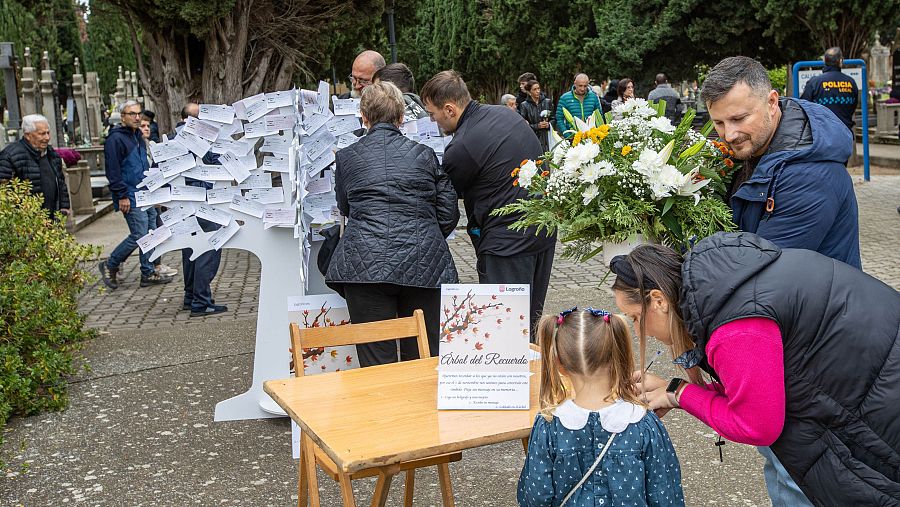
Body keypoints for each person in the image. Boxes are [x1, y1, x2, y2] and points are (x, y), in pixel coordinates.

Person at [610, 231, 900, 506]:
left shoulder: (735, 326)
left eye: (635, 318)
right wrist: (674, 390)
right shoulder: (720, 282)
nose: (639, 332)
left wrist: (680, 393)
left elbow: (757, 425)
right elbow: (758, 383)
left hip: (885, 390)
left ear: (658, 301)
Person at [325, 81, 459, 367]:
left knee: (376, 361)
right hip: (424, 261)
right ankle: (421, 411)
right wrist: (426, 233)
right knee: (423, 355)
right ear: (401, 117)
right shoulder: (424, 155)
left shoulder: (347, 158)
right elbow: (449, 211)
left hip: (365, 264)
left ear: (364, 116)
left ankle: (379, 410)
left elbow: (345, 207)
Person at [421, 70, 556, 335]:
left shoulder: (461, 147)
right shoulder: (505, 113)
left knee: (505, 329)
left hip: (507, 243)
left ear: (449, 109)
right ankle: (534, 372)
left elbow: (446, 194)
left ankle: (513, 374)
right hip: (542, 230)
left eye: (432, 113)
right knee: (530, 321)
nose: (432, 120)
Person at [702, 56, 860, 269]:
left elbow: (760, 267)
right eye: (718, 123)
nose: (729, 135)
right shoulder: (751, 148)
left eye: (738, 119)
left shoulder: (810, 176)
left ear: (772, 103)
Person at [518, 307, 685, 507]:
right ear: (618, 358)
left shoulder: (548, 426)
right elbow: (665, 493)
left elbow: (535, 496)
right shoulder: (644, 425)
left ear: (558, 364)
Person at [99, 101, 172, 289]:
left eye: (138, 114)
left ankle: (147, 272)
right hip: (130, 194)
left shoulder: (138, 136)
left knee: (151, 233)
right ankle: (111, 263)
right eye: (132, 114)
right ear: (123, 116)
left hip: (146, 193)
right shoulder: (115, 140)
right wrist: (121, 195)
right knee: (139, 235)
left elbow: (144, 166)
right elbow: (113, 170)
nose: (136, 117)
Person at [172, 102, 228, 317]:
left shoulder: (176, 138)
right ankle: (201, 302)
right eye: (199, 118)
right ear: (187, 120)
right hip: (199, 202)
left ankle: (191, 297)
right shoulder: (190, 140)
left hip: (185, 205)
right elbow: (213, 163)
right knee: (209, 249)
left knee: (191, 249)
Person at [0, 114, 70, 217]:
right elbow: (4, 188)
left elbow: (60, 181)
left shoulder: (51, 154)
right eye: (42, 134)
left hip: (53, 218)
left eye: (48, 133)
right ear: (28, 135)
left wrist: (64, 205)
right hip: (28, 221)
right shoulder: (10, 156)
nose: (47, 137)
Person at [138, 117, 178, 279]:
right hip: (143, 194)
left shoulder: (149, 146)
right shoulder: (137, 147)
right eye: (143, 126)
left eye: (148, 126)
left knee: (156, 229)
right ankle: (115, 261)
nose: (146, 128)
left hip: (154, 193)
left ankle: (156, 264)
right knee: (141, 233)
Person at [800, 47, 859, 132]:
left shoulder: (814, 82)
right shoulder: (851, 82)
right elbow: (853, 106)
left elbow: (804, 106)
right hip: (845, 133)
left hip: (822, 135)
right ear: (840, 61)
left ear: (824, 61)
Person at [518, 80, 554, 152]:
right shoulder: (524, 105)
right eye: (534, 89)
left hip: (548, 137)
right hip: (534, 138)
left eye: (538, 88)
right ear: (529, 92)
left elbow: (554, 118)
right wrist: (537, 126)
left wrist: (549, 124)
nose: (538, 91)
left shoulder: (547, 102)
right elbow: (523, 125)